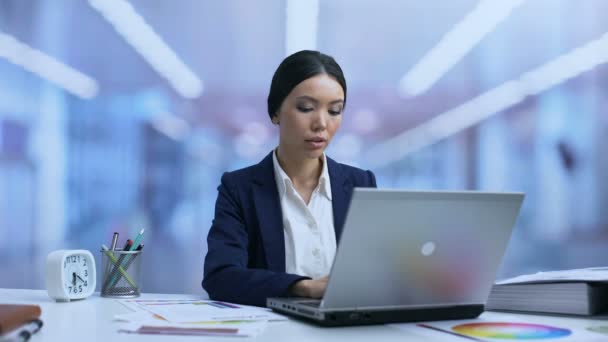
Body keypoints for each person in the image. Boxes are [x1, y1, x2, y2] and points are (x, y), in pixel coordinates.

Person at [203, 50, 377, 306]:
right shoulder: (239, 189)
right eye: (306, 108)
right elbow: (221, 276)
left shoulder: (361, 184)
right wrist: (302, 287)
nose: (321, 123)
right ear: (275, 111)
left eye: (334, 110)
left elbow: (379, 271)